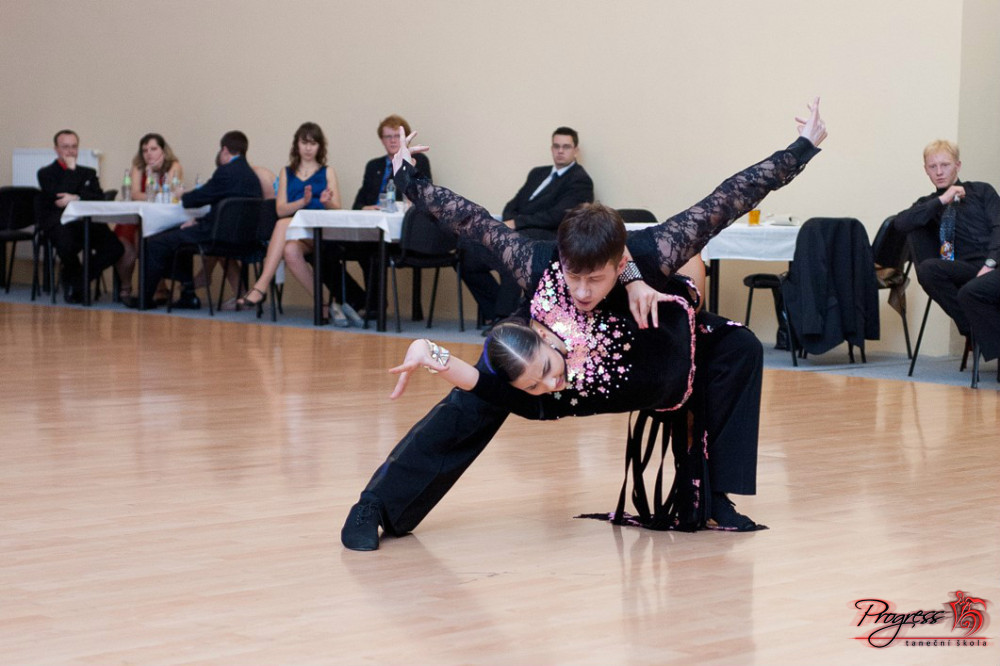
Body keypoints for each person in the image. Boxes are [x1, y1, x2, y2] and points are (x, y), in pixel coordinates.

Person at [341, 99, 827, 551]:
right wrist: (406, 175)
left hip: (641, 348)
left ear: (619, 264)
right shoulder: (536, 260)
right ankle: (378, 505)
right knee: (475, 398)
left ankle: (713, 497)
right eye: (574, 276)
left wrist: (802, 147)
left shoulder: (651, 252)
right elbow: (469, 220)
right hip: (547, 348)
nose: (582, 291)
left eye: (595, 279)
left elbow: (729, 199)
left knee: (739, 346)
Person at [462, 127, 595, 326]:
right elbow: (513, 204)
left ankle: (505, 318)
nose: (560, 151)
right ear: (551, 148)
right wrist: (508, 223)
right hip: (520, 231)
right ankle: (495, 311)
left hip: (546, 236)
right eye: (556, 146)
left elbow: (557, 216)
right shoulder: (538, 173)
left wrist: (516, 223)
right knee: (468, 250)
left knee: (514, 251)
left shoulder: (580, 180)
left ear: (575, 150)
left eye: (566, 147)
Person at [235, 122, 364, 324]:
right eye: (304, 143)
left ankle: (260, 286)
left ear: (320, 146)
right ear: (297, 145)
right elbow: (280, 209)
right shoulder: (286, 172)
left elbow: (337, 208)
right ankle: (323, 303)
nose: (308, 148)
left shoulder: (327, 171)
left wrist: (326, 202)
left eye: (313, 143)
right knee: (290, 250)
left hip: (321, 231)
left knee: (282, 225)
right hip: (296, 232)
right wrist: (302, 202)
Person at [131, 130, 262, 309]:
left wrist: (182, 195)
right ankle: (187, 292)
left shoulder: (225, 172)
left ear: (224, 150)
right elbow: (226, 210)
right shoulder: (251, 176)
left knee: (155, 242)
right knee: (182, 233)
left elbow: (197, 199)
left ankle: (145, 299)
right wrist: (198, 221)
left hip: (218, 236)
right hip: (244, 238)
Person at [893, 140, 1000, 357]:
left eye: (945, 165)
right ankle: (974, 329)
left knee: (973, 289)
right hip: (966, 269)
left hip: (994, 265)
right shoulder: (929, 204)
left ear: (957, 166)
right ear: (926, 170)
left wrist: (990, 263)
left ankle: (984, 334)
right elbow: (900, 223)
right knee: (928, 269)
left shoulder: (981, 190)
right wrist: (942, 200)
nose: (939, 172)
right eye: (933, 167)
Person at [36, 129, 124, 304]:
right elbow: (59, 196)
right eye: (65, 147)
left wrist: (76, 198)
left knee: (115, 247)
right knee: (66, 243)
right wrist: (71, 170)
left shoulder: (88, 172)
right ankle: (77, 285)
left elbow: (98, 197)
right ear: (56, 149)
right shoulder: (46, 173)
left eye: (74, 147)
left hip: (87, 221)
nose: (70, 151)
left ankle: (77, 282)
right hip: (60, 222)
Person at [119, 133, 184, 302]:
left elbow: (170, 194)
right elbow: (134, 194)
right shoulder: (138, 166)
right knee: (129, 241)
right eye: (145, 150)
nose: (148, 154)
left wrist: (152, 179)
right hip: (137, 217)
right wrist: (153, 191)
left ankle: (157, 288)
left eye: (153, 149)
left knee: (150, 238)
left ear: (163, 150)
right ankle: (128, 287)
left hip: (163, 219)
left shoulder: (173, 165)